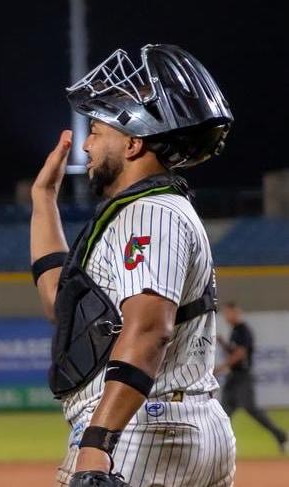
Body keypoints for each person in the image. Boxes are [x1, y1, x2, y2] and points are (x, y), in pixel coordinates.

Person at [30, 45, 236, 486]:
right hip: (163, 423)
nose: (86, 144)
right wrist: (43, 201)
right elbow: (60, 303)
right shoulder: (143, 211)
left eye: (97, 130)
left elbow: (148, 329)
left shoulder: (151, 213)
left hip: (146, 429)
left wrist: (96, 442)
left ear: (133, 141)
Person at [216, 301, 287, 453]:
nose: (226, 316)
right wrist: (222, 343)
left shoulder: (243, 330)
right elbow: (233, 352)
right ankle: (219, 446)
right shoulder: (235, 331)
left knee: (251, 409)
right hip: (233, 378)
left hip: (242, 377)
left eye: (228, 313)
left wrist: (221, 367)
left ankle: (281, 436)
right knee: (222, 412)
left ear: (236, 312)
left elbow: (240, 354)